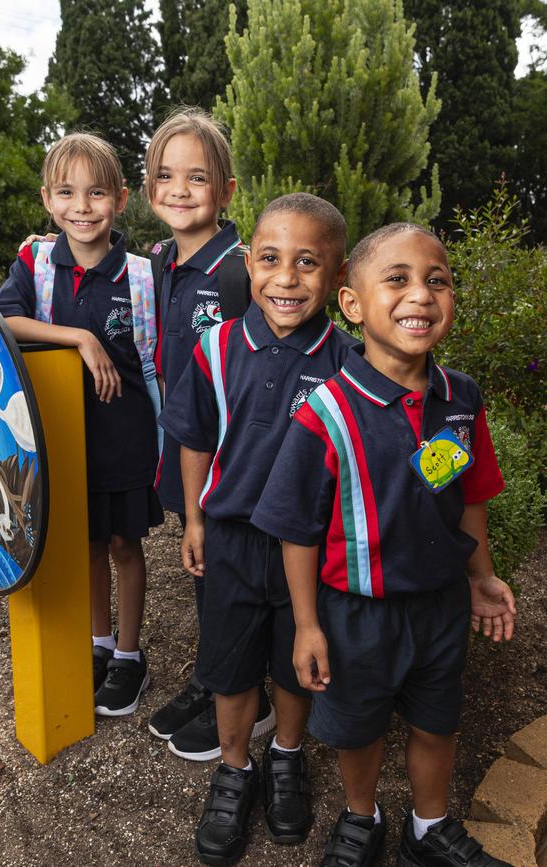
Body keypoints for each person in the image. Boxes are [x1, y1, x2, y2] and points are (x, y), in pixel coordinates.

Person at [252, 223, 516, 867]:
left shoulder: (460, 400)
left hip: (439, 606)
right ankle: (361, 819)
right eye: (396, 280)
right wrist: (307, 626)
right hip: (355, 615)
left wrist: (480, 578)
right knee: (358, 728)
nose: (420, 295)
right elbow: (296, 530)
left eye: (437, 280)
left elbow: (468, 497)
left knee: (436, 721)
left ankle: (428, 827)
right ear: (353, 304)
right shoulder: (327, 412)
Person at [159, 193, 358, 865]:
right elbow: (193, 438)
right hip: (232, 540)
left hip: (312, 551)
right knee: (230, 668)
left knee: (296, 667)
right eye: (271, 259)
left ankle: (287, 759)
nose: (286, 278)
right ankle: (236, 768)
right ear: (249, 264)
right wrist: (193, 516)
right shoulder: (217, 346)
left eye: (308, 263)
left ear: (336, 278)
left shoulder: (349, 361)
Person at [0, 132, 163, 718]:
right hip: (63, 438)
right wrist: (79, 337)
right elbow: (5, 320)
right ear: (47, 199)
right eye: (66, 193)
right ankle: (98, 642)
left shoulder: (142, 274)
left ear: (119, 198)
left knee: (123, 543)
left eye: (95, 193)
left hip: (125, 438)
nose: (81, 207)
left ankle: (130, 655)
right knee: (87, 543)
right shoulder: (36, 263)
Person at [144, 107, 274, 762]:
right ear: (148, 186)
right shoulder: (162, 260)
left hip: (233, 463)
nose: (180, 189)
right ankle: (211, 676)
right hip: (186, 449)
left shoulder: (237, 270)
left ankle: (252, 694)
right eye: (166, 175)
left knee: (230, 578)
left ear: (225, 191)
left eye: (198, 177)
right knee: (203, 573)